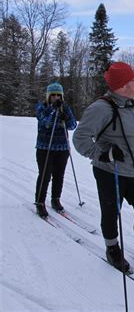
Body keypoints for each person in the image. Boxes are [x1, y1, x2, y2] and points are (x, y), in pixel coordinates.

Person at [73, 62, 134, 273]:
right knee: (112, 213)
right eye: (133, 80)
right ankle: (112, 249)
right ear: (122, 85)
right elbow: (80, 139)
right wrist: (103, 154)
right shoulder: (100, 108)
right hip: (111, 172)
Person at [35, 82, 77, 218]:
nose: (56, 98)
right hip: (45, 148)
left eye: (58, 95)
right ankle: (40, 202)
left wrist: (66, 117)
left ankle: (55, 199)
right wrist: (53, 110)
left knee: (59, 175)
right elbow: (45, 123)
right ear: (48, 96)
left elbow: (72, 125)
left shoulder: (65, 108)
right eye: (53, 95)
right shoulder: (42, 107)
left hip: (62, 147)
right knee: (45, 175)